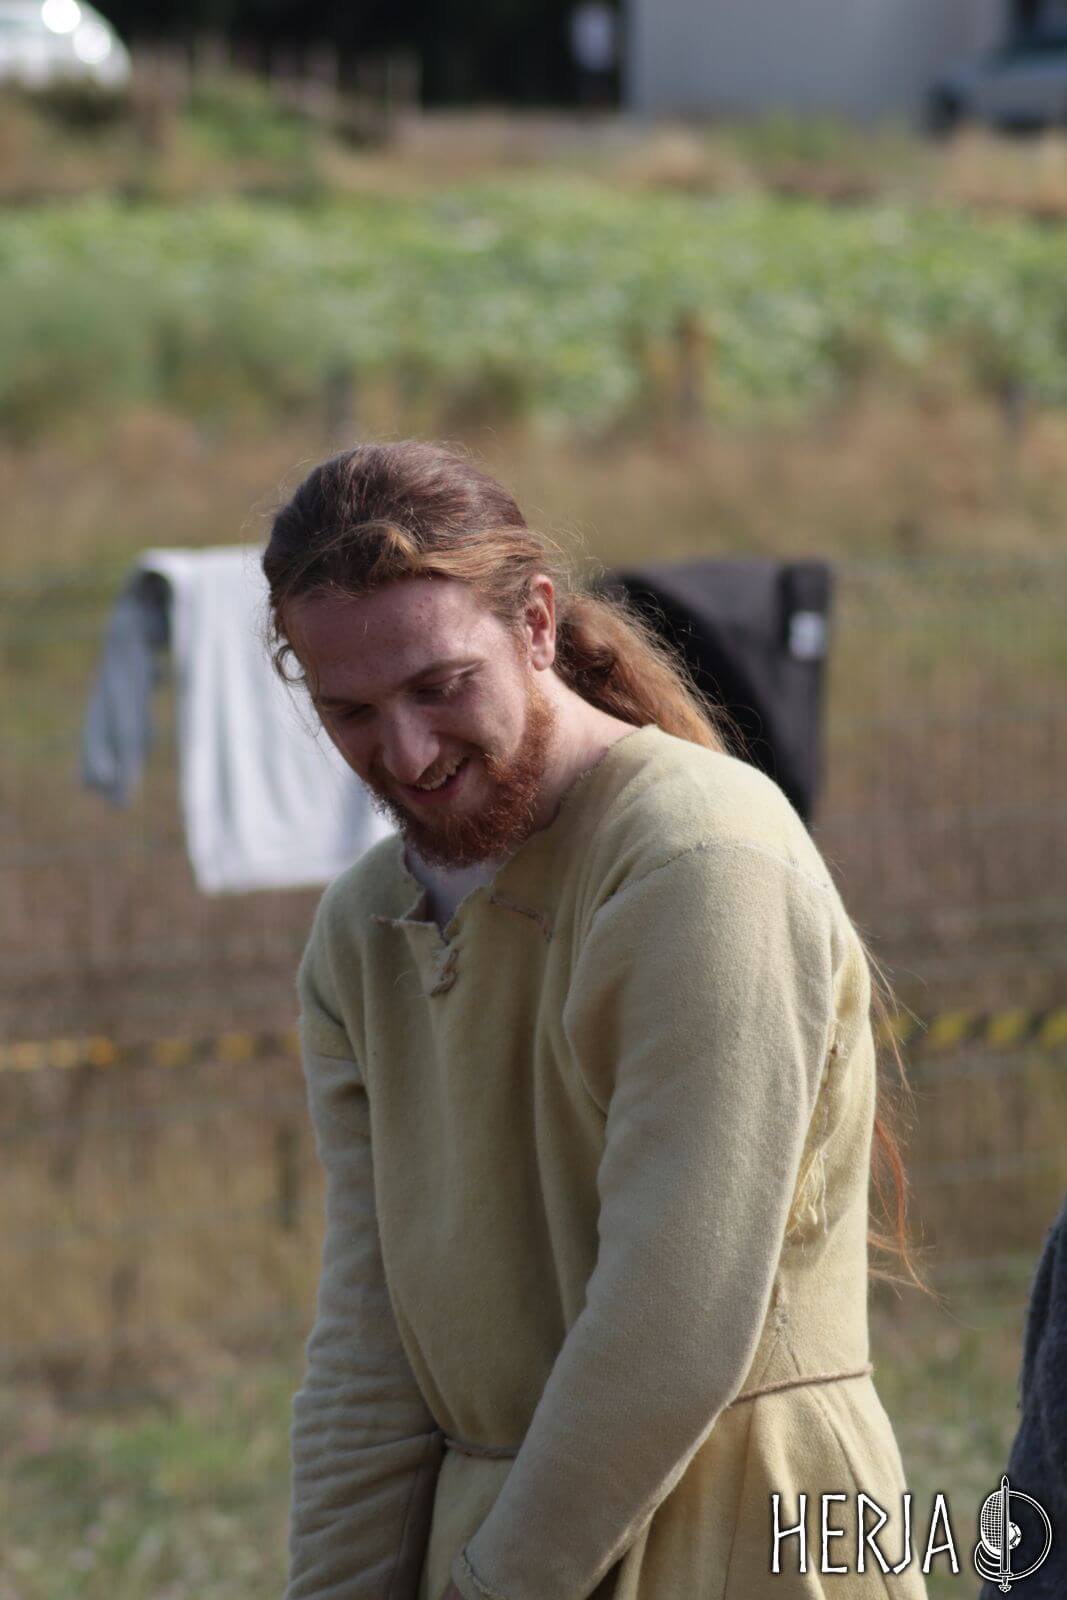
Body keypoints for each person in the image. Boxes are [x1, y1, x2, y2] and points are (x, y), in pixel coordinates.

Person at [262, 440, 928, 1600]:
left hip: (746, 1529)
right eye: (349, 710)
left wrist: (493, 1587)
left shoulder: (700, 858)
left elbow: (671, 1327)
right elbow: (371, 1352)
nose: (404, 753)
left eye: (438, 685)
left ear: (533, 623)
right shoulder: (364, 928)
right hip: (493, 1538)